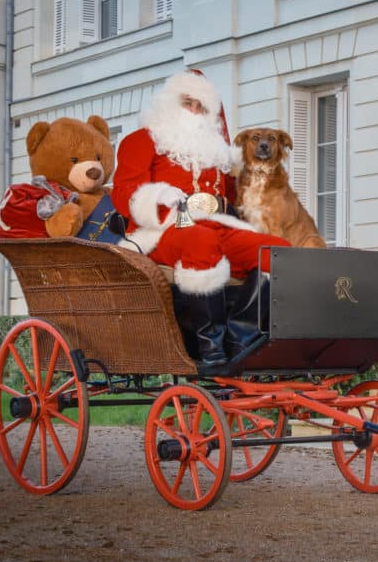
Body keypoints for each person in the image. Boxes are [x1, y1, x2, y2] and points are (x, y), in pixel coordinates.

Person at [112, 69, 291, 371]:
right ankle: (210, 346)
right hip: (163, 230)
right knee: (200, 240)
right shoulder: (141, 140)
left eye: (202, 106)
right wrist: (159, 196)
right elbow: (124, 193)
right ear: (170, 103)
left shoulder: (216, 152)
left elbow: (237, 195)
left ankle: (240, 335)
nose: (195, 111)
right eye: (188, 103)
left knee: (277, 250)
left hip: (218, 226)